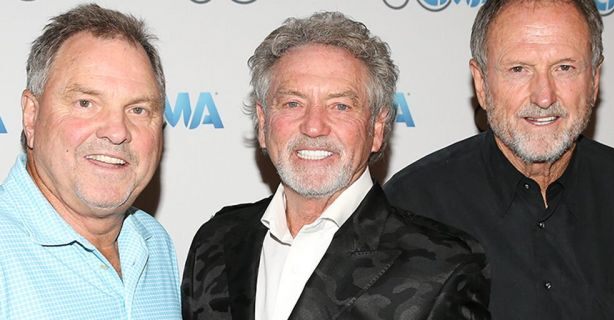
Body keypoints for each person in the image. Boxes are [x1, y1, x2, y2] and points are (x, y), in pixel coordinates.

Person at [182, 11, 490, 320]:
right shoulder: (216, 243)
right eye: (293, 104)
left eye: (340, 106)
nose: (314, 127)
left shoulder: (442, 267)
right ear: (263, 124)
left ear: (377, 128)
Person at [384, 0, 614, 319]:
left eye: (565, 67)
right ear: (481, 83)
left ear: (594, 80)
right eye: (519, 69)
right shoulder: (412, 208)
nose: (544, 96)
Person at [0, 4, 181, 319]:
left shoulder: (155, 243)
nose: (116, 131)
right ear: (31, 116)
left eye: (138, 109)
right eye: (86, 103)